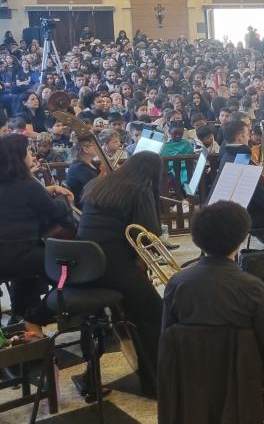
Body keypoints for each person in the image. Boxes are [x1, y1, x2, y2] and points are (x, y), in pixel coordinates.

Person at [163, 201, 264, 418]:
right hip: (240, 378)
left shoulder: (175, 284)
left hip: (191, 375)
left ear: (196, 239)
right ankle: (253, 412)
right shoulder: (252, 287)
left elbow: (167, 340)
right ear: (240, 239)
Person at [77, 152, 165, 397]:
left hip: (85, 268)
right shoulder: (140, 191)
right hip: (114, 270)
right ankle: (157, 383)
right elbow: (150, 234)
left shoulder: (98, 183)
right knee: (156, 313)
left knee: (142, 307)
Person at [0, 134, 74, 334]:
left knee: (26, 276)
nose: (31, 154)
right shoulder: (28, 184)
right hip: (22, 254)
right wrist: (60, 196)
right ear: (19, 156)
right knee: (72, 274)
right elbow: (55, 212)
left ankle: (19, 314)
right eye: (28, 151)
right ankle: (35, 318)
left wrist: (45, 189)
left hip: (5, 257)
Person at [65, 138, 100, 209]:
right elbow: (97, 187)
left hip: (94, 200)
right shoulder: (79, 168)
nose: (98, 147)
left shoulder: (91, 162)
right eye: (94, 145)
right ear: (85, 149)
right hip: (86, 205)